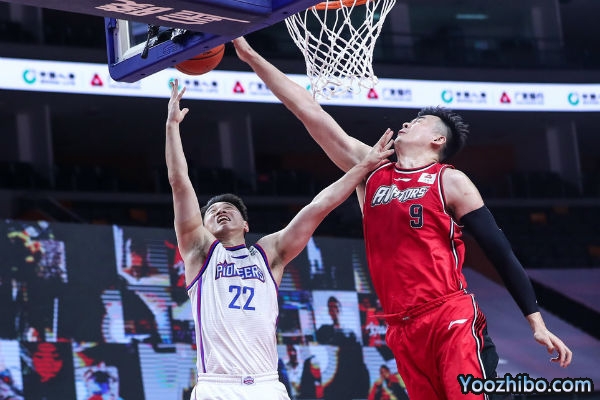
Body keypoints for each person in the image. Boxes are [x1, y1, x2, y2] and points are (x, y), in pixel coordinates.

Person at [232, 37, 573, 399]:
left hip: (449, 315)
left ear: (437, 140)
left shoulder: (451, 181)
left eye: (420, 121)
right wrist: (250, 55)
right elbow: (308, 110)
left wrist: (536, 323)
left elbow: (499, 252)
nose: (407, 123)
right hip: (401, 327)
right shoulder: (370, 172)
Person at [165, 78, 394, 400]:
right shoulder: (199, 251)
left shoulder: (268, 253)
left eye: (229, 208)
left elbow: (318, 207)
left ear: (246, 224)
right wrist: (172, 126)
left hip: (266, 385)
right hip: (217, 385)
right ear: (201, 227)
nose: (220, 211)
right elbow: (179, 182)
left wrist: (363, 167)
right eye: (212, 211)